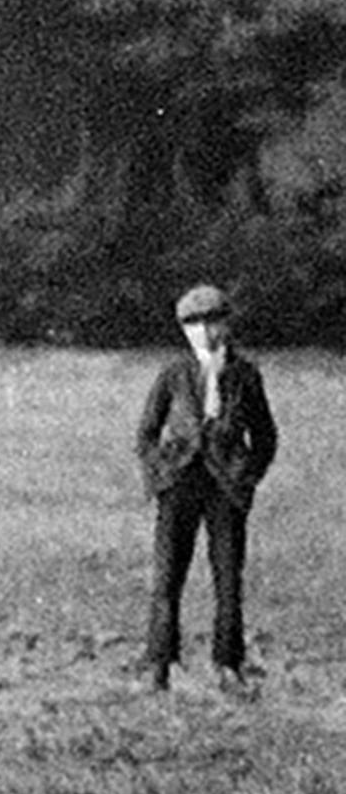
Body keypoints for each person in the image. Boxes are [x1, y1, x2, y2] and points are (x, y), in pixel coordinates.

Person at [133, 283, 277, 695]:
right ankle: (159, 664)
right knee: (167, 577)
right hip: (180, 483)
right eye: (193, 324)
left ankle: (228, 664)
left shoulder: (245, 375)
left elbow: (265, 436)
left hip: (225, 488)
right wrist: (159, 474)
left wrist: (246, 476)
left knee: (228, 578)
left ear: (226, 324)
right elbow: (146, 432)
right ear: (183, 330)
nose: (204, 331)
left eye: (212, 321)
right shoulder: (173, 374)